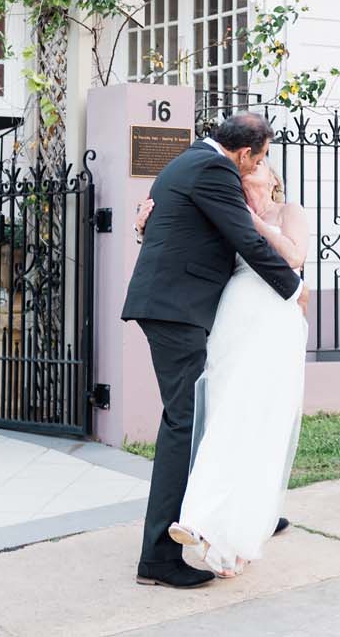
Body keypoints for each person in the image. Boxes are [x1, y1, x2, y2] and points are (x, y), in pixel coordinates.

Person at [120, 113, 307, 590]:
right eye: (261, 158)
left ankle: (231, 516)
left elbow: (181, 229)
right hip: (175, 309)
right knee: (186, 422)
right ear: (245, 153)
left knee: (201, 417)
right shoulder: (212, 169)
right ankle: (158, 557)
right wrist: (293, 290)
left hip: (175, 307)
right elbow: (244, 238)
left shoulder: (186, 162)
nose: (261, 167)